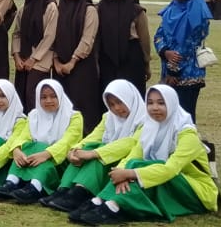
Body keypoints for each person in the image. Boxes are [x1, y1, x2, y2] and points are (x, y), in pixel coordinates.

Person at [68, 85, 219, 225]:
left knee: (142, 167)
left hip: (197, 192)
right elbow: (134, 155)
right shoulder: (150, 127)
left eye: (161, 103)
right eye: (150, 103)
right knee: (134, 164)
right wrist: (120, 173)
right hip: (165, 182)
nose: (155, 108)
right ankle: (104, 200)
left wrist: (130, 173)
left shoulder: (187, 134)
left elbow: (170, 169)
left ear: (172, 104)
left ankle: (115, 205)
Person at [44, 79, 147, 213]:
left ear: (130, 99)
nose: (116, 108)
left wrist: (94, 153)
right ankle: (64, 189)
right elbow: (94, 136)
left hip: (124, 164)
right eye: (111, 104)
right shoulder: (109, 117)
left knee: (96, 153)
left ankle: (81, 191)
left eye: (120, 102)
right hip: (110, 159)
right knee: (86, 148)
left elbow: (131, 143)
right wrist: (74, 150)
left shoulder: (144, 120)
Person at [0, 79, 84, 204]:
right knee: (25, 146)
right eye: (43, 97)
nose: (48, 101)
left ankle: (35, 187)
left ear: (60, 96)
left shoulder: (74, 116)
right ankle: (11, 182)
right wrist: (16, 150)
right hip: (34, 160)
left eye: (53, 96)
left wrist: (46, 153)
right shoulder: (34, 115)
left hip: (58, 164)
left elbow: (67, 142)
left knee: (39, 145)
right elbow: (24, 137)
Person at [155, 0, 210, 122]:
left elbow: (189, 45)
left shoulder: (198, 12)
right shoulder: (169, 11)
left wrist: (173, 72)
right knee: (168, 115)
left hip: (188, 73)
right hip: (167, 69)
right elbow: (159, 35)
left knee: (185, 115)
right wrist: (164, 51)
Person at [53, 0, 101, 134]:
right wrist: (56, 62)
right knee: (64, 104)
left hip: (82, 66)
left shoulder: (89, 10)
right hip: (60, 67)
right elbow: (53, 37)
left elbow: (88, 39)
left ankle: (86, 139)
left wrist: (72, 62)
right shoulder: (60, 9)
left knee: (83, 105)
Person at [96, 0, 151, 95]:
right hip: (106, 59)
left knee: (132, 94)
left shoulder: (136, 11)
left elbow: (144, 39)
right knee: (109, 95)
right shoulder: (98, 10)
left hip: (131, 58)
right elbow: (96, 39)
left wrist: (146, 63)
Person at [12, 0, 57, 110]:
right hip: (23, 59)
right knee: (21, 95)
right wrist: (16, 56)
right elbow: (16, 34)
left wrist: (33, 59)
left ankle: (37, 122)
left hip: (41, 60)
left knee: (33, 95)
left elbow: (50, 36)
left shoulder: (50, 7)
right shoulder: (23, 9)